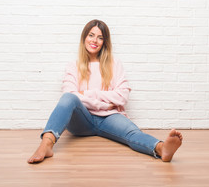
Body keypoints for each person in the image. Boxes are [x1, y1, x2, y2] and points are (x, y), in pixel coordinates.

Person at [28, 19, 183, 164]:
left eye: (100, 38)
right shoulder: (72, 66)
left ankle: (162, 148)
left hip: (110, 117)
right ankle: (46, 143)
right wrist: (103, 104)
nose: (94, 41)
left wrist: (85, 94)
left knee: (131, 133)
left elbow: (122, 96)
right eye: (91, 35)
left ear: (104, 42)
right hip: (83, 120)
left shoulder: (114, 64)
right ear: (84, 38)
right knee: (68, 98)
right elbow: (70, 95)